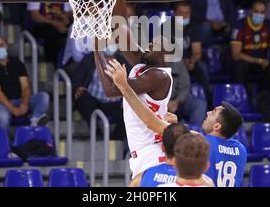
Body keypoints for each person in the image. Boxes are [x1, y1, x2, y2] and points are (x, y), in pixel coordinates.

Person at [103, 59, 247, 187]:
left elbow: (150, 122)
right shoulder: (241, 150)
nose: (208, 113)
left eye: (214, 112)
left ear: (217, 126)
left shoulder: (201, 142)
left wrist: (124, 86)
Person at [93, 0, 173, 178]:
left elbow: (112, 90)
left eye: (154, 43)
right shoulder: (143, 63)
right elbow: (118, 24)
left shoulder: (160, 76)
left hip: (153, 154)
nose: (148, 44)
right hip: (143, 152)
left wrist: (96, 45)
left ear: (166, 53)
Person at [0, 35, 50, 131]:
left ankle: (35, 120)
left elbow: (26, 87)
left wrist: (24, 104)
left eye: (1, 45)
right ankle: (4, 144)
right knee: (3, 116)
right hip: (1, 104)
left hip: (20, 100)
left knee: (43, 96)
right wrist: (12, 109)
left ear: (6, 46)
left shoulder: (17, 63)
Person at [73, 48, 126, 140]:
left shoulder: (123, 61)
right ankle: (97, 134)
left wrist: (126, 99)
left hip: (115, 103)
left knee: (130, 112)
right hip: (94, 100)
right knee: (83, 99)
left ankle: (115, 140)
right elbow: (77, 77)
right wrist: (77, 87)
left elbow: (132, 82)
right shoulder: (90, 58)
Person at [231, 0, 270, 87]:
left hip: (263, 61)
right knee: (239, 66)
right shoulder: (239, 26)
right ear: (251, 11)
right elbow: (236, 55)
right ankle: (241, 96)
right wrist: (259, 61)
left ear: (266, 13)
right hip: (245, 61)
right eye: (256, 12)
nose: (259, 15)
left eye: (262, 12)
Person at [173, 1, 211, 98]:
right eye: (181, 13)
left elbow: (197, 51)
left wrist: (192, 61)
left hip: (190, 61)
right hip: (174, 62)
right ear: (175, 13)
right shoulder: (166, 27)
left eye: (187, 13)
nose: (184, 16)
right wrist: (182, 62)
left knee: (202, 67)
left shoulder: (194, 27)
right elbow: (166, 52)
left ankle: (207, 98)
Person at [168, 60, 207, 126]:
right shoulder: (152, 63)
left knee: (199, 105)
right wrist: (164, 103)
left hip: (178, 101)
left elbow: (185, 87)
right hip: (159, 102)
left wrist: (177, 101)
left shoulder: (178, 62)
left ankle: (195, 132)